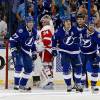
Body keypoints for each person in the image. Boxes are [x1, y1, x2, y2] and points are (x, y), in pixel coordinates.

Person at [52, 15, 83, 92]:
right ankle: (69, 85)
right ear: (63, 23)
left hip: (75, 52)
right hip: (65, 52)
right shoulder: (59, 31)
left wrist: (78, 41)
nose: (68, 23)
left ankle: (78, 84)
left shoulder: (76, 30)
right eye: (66, 21)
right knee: (66, 69)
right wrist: (53, 49)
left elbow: (80, 38)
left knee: (78, 69)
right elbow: (54, 40)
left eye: (69, 21)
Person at [9, 16, 37, 91]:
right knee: (19, 66)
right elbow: (12, 39)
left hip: (27, 52)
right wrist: (13, 50)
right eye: (29, 22)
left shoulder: (34, 31)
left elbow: (33, 43)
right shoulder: (21, 30)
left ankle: (22, 85)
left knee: (29, 69)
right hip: (19, 50)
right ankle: (16, 85)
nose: (31, 23)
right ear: (26, 23)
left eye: (32, 22)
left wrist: (34, 52)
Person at [80, 19, 100, 93]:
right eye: (90, 25)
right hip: (82, 53)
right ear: (87, 26)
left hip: (92, 54)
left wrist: (98, 57)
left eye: (92, 25)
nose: (91, 26)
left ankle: (93, 86)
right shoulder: (82, 32)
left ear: (94, 26)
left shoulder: (97, 35)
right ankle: (82, 84)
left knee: (95, 69)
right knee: (82, 70)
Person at [38, 14, 54, 89]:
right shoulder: (51, 27)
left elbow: (47, 40)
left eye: (43, 21)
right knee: (49, 66)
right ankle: (50, 81)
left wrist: (40, 46)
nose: (42, 23)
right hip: (50, 49)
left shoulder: (45, 28)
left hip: (45, 49)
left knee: (45, 66)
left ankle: (49, 82)